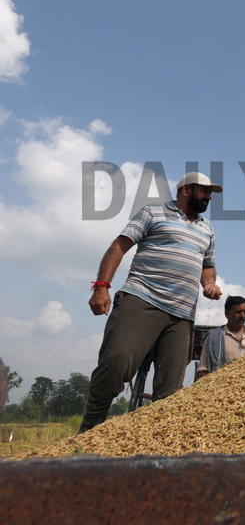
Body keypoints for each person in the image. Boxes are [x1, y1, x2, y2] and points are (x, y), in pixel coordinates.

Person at [79, 172, 223, 432]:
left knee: (170, 390)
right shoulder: (153, 213)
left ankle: (155, 444)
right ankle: (90, 426)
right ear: (186, 190)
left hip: (182, 315)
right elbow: (119, 246)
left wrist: (209, 284)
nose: (209, 197)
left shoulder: (207, 229)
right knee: (116, 363)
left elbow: (208, 267)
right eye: (205, 191)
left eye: (211, 193)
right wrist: (101, 286)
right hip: (142, 298)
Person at [196, 296, 245, 378]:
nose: (243, 316)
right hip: (223, 384)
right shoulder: (214, 337)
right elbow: (203, 369)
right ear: (227, 313)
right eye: (238, 312)